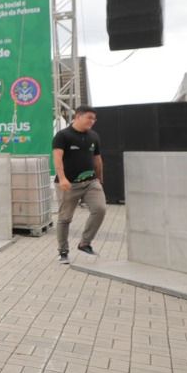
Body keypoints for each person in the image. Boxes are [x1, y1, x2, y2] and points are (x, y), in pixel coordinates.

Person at [53, 107, 106, 264]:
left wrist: (100, 179)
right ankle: (63, 251)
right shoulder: (63, 136)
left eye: (94, 119)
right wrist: (62, 178)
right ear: (78, 116)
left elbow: (97, 159)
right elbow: (57, 158)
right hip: (68, 184)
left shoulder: (94, 136)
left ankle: (85, 243)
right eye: (89, 118)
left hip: (91, 182)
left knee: (100, 209)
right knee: (65, 218)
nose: (92, 121)